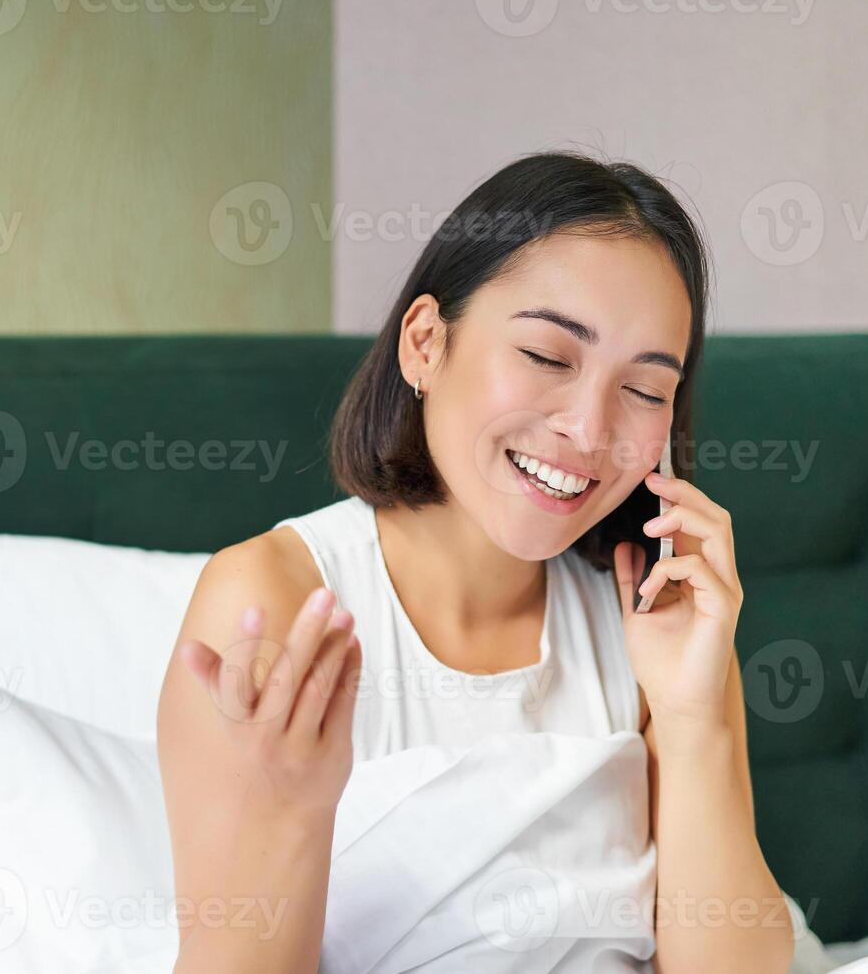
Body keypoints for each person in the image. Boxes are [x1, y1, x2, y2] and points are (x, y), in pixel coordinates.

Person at [155, 150, 794, 973]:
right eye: (548, 357)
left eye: (644, 390)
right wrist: (291, 819)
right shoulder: (274, 600)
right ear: (425, 343)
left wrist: (692, 716)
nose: (591, 431)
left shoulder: (653, 622)